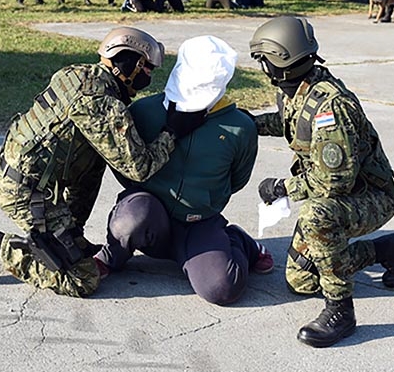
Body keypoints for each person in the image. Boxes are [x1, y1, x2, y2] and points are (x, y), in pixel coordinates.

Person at [0, 27, 207, 297]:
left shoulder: (76, 74)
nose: (148, 75)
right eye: (145, 67)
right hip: (26, 192)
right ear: (129, 63)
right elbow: (139, 168)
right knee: (82, 280)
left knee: (94, 158)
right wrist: (172, 132)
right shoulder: (101, 104)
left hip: (29, 176)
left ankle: (70, 237)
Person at [249, 16, 394, 347]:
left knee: (316, 217)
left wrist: (281, 188)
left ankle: (340, 311)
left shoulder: (330, 107)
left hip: (369, 196)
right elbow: (288, 122)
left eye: (264, 59)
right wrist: (245, 123)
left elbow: (333, 182)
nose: (262, 67)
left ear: (279, 61)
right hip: (342, 195)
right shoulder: (296, 89)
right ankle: (389, 249)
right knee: (302, 281)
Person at [97, 35, 273, 306]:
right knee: (131, 218)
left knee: (223, 289)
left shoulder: (240, 128)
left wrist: (203, 200)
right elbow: (125, 168)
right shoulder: (144, 111)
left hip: (198, 222)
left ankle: (237, 240)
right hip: (148, 214)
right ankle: (115, 252)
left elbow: (237, 179)